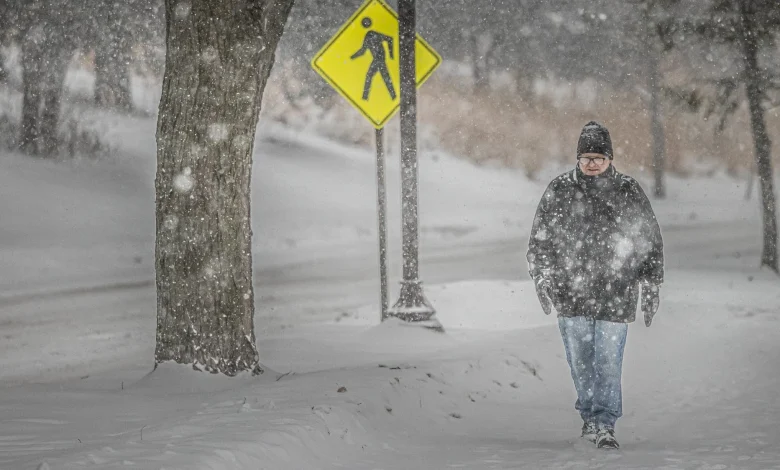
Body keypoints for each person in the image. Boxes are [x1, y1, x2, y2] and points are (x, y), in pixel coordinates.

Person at [526, 121, 664, 450]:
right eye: (586, 157)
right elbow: (539, 239)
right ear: (577, 158)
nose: (592, 163)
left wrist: (652, 282)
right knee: (580, 360)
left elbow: (649, 238)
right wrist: (541, 275)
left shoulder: (628, 190)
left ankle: (605, 423)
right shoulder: (559, 190)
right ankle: (588, 417)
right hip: (569, 292)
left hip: (617, 293)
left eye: (598, 158)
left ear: (610, 159)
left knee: (608, 362)